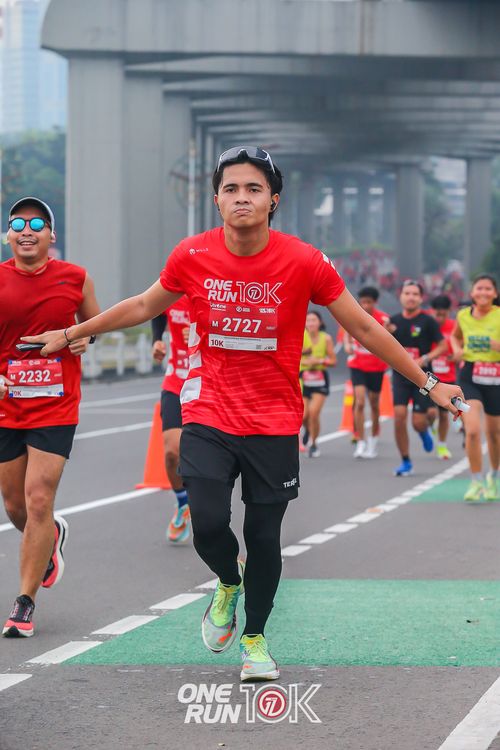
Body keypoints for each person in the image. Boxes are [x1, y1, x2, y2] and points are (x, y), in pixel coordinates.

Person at [22, 147, 463, 681]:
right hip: (209, 412)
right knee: (208, 523)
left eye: (253, 189)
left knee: (264, 538)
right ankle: (228, 582)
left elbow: (365, 327)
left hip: (274, 421)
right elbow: (142, 305)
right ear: (217, 200)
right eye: (231, 189)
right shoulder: (192, 254)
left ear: (273, 199)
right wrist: (74, 332)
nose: (241, 198)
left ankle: (255, 638)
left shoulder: (304, 260)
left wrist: (429, 383)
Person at [0, 197, 99, 638]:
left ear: (51, 235)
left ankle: (24, 603)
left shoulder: (75, 278)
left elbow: (94, 325)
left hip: (56, 404)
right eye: (18, 223)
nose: (27, 230)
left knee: (38, 498)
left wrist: (84, 339)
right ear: (8, 235)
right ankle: (51, 537)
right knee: (15, 505)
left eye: (37, 223)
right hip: (6, 404)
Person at [388, 280, 449, 476]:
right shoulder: (393, 321)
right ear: (401, 296)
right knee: (399, 417)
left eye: (415, 294)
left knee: (418, 422)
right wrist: (386, 331)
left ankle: (423, 432)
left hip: (423, 377)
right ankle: (405, 461)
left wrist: (425, 358)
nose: (411, 297)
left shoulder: (428, 321)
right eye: (407, 293)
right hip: (400, 375)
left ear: (421, 298)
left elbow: (443, 346)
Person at [450, 275, 500, 502]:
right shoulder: (463, 315)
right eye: (479, 288)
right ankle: (476, 481)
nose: (483, 292)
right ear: (472, 293)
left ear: (495, 294)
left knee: (494, 434)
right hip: (470, 375)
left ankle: (494, 477)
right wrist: (457, 349)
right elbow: (454, 336)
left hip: (495, 376)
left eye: (488, 289)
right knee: (471, 430)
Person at [151, 297, 192, 542]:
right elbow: (154, 309)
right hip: (176, 381)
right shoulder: (172, 289)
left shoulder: (217, 288)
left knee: (207, 458)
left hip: (208, 383)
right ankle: (183, 503)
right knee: (171, 452)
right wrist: (157, 340)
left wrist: (202, 333)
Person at [343, 286, 389, 459]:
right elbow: (347, 332)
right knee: (360, 402)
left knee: (375, 404)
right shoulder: (353, 314)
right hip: (357, 365)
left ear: (374, 302)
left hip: (376, 367)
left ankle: (373, 439)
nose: (365, 305)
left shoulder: (382, 318)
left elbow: (389, 337)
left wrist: (388, 328)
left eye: (369, 302)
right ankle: (360, 440)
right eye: (363, 302)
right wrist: (347, 345)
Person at [300, 310, 336, 458]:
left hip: (319, 379)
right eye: (308, 320)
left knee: (314, 413)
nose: (311, 323)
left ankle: (313, 444)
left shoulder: (326, 338)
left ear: (320, 322)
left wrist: (320, 361)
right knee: (303, 415)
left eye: (314, 320)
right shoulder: (300, 336)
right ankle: (308, 430)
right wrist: (306, 361)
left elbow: (333, 361)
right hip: (303, 378)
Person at [429, 294, 458, 460]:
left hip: (448, 377)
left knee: (443, 414)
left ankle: (442, 446)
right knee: (430, 414)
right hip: (428, 377)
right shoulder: (427, 324)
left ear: (449, 312)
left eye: (443, 314)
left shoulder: (454, 327)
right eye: (437, 314)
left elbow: (461, 348)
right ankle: (431, 425)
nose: (439, 318)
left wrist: (456, 356)